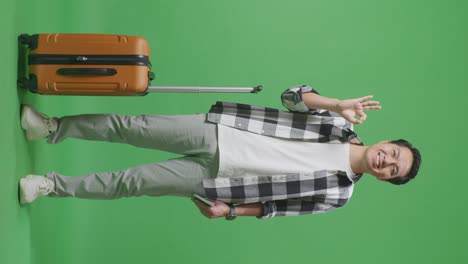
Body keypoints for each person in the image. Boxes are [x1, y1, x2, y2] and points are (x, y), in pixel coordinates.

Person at [18, 85, 421, 220]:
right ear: (387, 142)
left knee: (133, 182)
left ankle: (50, 186)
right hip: (220, 131)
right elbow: (291, 95)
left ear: (386, 179)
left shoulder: (340, 195)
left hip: (222, 182)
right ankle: (51, 128)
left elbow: (278, 209)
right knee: (132, 126)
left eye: (392, 170)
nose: (386, 161)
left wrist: (230, 212)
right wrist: (334, 104)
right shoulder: (340, 124)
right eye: (392, 153)